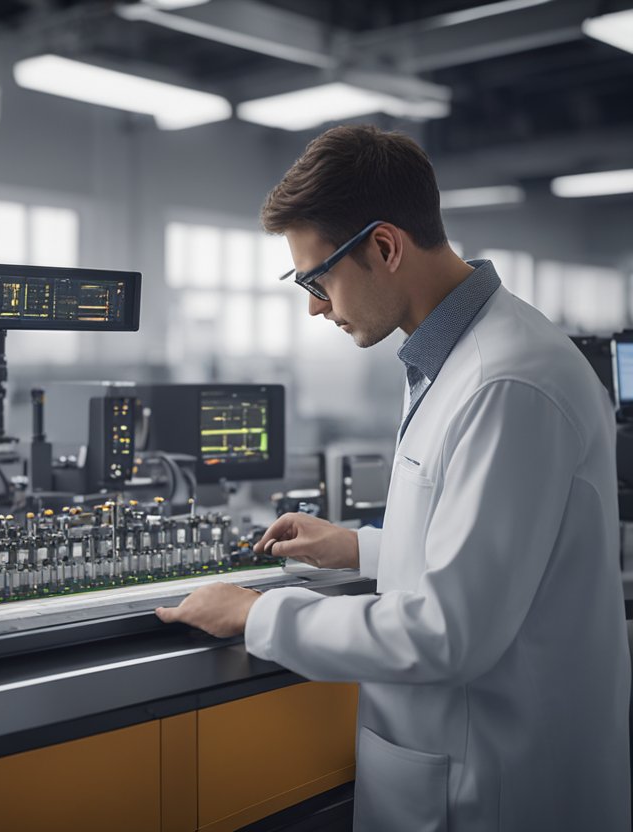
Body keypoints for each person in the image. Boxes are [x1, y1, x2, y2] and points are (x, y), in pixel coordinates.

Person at [155, 124, 631, 831]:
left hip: (492, 786)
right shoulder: (457, 356)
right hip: (459, 761)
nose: (316, 306)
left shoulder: (506, 381)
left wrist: (256, 613)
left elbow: (447, 632)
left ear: (384, 246)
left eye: (318, 279)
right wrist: (356, 547)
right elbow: (487, 554)